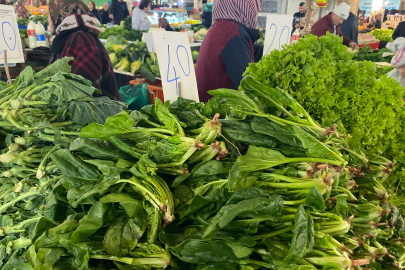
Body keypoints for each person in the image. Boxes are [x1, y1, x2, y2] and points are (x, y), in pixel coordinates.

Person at [48, 0, 118, 99]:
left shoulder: (80, 40)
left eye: (50, 14)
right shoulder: (68, 38)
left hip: (97, 113)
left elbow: (83, 97)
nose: (48, 20)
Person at [196, 0, 262, 102]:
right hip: (215, 114)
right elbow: (249, 88)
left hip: (207, 106)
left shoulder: (221, 26)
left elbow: (242, 52)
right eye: (256, 5)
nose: (258, 10)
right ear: (244, 5)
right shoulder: (233, 33)